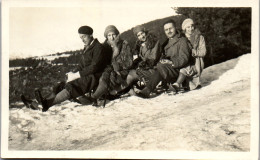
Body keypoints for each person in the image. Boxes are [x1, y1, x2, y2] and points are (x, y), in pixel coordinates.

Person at [21, 26, 111, 112]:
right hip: (86, 74)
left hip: (94, 76)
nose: (82, 40)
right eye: (81, 38)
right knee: (62, 85)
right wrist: (73, 73)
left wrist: (77, 75)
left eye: (84, 37)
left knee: (72, 87)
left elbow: (94, 67)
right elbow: (81, 65)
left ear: (91, 35)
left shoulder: (98, 48)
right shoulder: (87, 47)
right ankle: (42, 101)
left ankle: (46, 104)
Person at [136, 19, 191, 98]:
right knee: (153, 68)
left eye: (170, 28)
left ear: (175, 28)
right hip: (168, 69)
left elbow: (184, 58)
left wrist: (171, 62)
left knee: (160, 66)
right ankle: (153, 86)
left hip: (179, 70)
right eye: (166, 30)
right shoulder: (166, 43)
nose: (169, 31)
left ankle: (148, 89)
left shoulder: (182, 41)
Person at [86, 25, 133, 106]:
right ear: (106, 36)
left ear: (117, 34)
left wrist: (116, 66)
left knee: (109, 77)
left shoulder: (124, 44)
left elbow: (129, 62)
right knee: (103, 76)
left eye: (113, 34)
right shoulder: (104, 47)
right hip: (108, 69)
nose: (112, 37)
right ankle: (95, 96)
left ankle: (94, 97)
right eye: (109, 35)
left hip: (121, 69)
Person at [169, 18, 206, 92]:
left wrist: (194, 52)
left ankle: (177, 84)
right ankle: (176, 83)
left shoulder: (199, 37)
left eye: (192, 26)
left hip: (195, 62)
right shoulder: (181, 38)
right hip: (184, 59)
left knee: (185, 69)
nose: (190, 29)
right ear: (184, 28)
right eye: (188, 27)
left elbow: (203, 52)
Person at [125, 25, 161, 93]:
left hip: (155, 68)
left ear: (145, 32)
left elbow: (153, 58)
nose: (141, 36)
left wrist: (142, 65)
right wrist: (136, 62)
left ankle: (131, 91)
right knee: (130, 73)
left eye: (142, 33)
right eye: (139, 35)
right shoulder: (140, 45)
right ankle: (129, 90)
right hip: (146, 68)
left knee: (133, 74)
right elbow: (141, 57)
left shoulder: (154, 42)